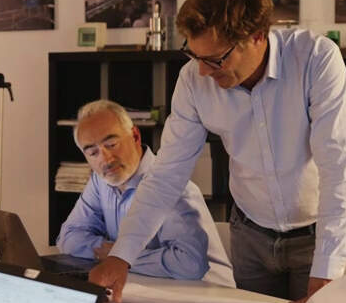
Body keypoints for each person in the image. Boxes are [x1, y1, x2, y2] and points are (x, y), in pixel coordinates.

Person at [89, 0, 346, 303]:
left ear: (258, 36)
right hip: (250, 236)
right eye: (194, 55)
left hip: (318, 233)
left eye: (216, 59)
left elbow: (338, 168)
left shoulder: (315, 59)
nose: (203, 72)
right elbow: (166, 175)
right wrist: (122, 255)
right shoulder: (193, 80)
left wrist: (327, 272)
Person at [58, 99, 234, 285]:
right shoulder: (101, 181)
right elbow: (68, 237)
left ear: (135, 136)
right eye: (93, 153)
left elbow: (189, 264)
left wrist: (119, 257)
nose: (106, 159)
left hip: (208, 294)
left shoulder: (171, 184)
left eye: (111, 145)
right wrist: (115, 255)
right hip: (151, 288)